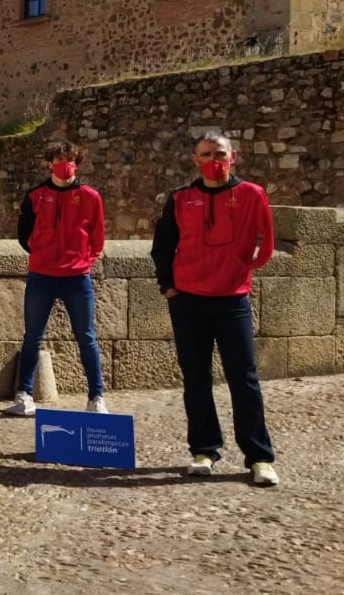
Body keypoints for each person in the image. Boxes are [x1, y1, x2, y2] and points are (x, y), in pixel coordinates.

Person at [152, 131, 278, 487]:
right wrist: (169, 287)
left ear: (233, 156)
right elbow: (162, 246)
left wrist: (243, 268)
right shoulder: (179, 198)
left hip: (232, 300)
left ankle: (259, 456)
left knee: (244, 379)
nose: (213, 160)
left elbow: (265, 239)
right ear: (195, 159)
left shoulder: (251, 194)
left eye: (219, 153)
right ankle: (204, 449)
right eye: (205, 154)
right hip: (188, 300)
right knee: (196, 379)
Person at [5, 142, 108, 417]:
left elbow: (97, 237)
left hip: (77, 277)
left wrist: (84, 260)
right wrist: (42, 252)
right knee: (32, 336)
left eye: (70, 159)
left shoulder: (90, 196)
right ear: (50, 162)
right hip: (42, 274)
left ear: (77, 162)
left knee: (86, 337)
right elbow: (23, 234)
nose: (65, 163)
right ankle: (25, 394)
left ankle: (96, 396)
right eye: (60, 158)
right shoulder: (36, 195)